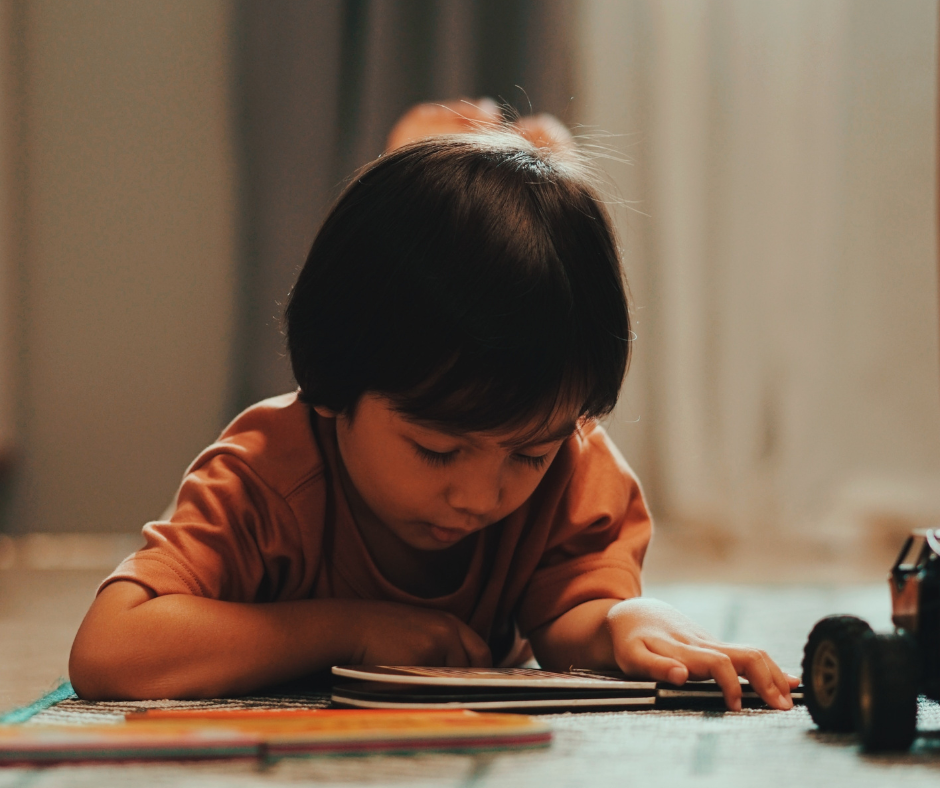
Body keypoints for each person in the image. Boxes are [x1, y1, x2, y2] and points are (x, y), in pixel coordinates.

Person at [69, 101, 798, 711]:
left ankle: (481, 148)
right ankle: (437, 142)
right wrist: (347, 629)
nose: (481, 496)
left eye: (527, 454)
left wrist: (629, 622)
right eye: (438, 450)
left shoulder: (572, 461)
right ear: (332, 385)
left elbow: (568, 615)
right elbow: (111, 649)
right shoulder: (268, 472)